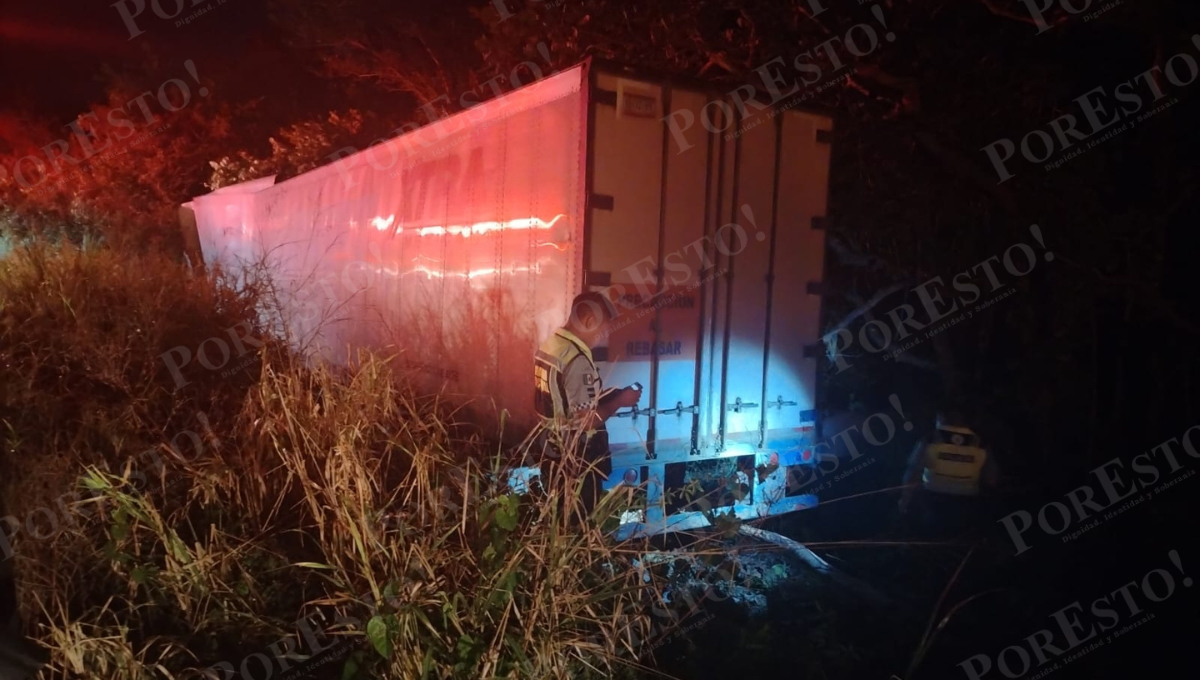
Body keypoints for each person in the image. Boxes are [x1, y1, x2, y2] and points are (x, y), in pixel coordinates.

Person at [533, 291, 641, 514]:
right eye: (603, 330)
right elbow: (586, 421)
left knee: (557, 516)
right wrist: (621, 400)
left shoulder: (552, 345)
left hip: (550, 449)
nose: (602, 337)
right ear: (589, 321)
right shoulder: (577, 360)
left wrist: (608, 394)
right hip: (575, 460)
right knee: (580, 520)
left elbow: (562, 397)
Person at [898, 412, 1000, 539]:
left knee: (931, 540)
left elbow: (912, 473)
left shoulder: (930, 439)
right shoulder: (981, 443)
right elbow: (991, 478)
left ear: (940, 417)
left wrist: (905, 500)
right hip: (968, 505)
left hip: (933, 502)